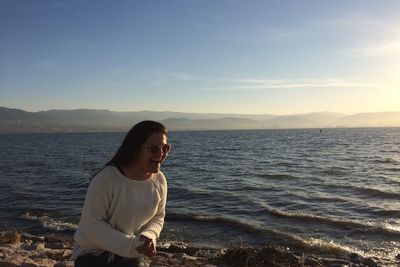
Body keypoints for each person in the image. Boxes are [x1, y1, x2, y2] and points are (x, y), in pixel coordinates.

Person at [72, 121, 171, 267]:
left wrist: (148, 236)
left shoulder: (159, 181)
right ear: (136, 149)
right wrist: (133, 245)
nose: (161, 153)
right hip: (93, 255)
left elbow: (158, 217)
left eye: (165, 148)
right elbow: (91, 226)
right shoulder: (107, 178)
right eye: (154, 149)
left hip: (129, 255)